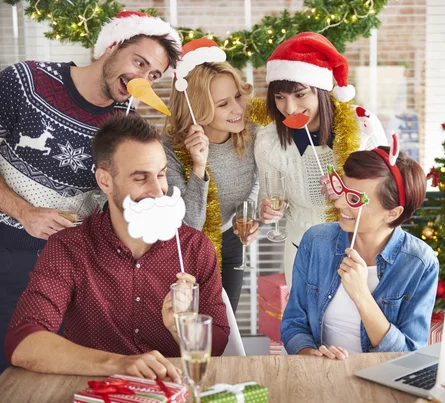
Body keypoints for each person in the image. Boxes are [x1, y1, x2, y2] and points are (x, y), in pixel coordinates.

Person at [0, 11, 181, 372]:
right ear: (112, 46)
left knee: (61, 374)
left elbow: (125, 200)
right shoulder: (24, 81)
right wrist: (24, 212)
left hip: (69, 269)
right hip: (6, 251)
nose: (142, 78)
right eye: (139, 62)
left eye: (153, 75)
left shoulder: (126, 127)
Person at [5, 114, 229, 380]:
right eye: (141, 178)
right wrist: (118, 364)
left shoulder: (195, 247)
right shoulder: (68, 248)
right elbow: (23, 343)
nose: (158, 191)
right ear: (105, 181)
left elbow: (217, 347)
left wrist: (182, 327)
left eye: (160, 174)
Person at [254, 32, 387, 286]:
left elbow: (385, 197)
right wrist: (269, 209)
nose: (289, 108)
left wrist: (347, 195)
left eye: (300, 95)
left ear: (322, 91)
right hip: (301, 250)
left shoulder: (362, 128)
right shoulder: (269, 141)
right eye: (280, 97)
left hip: (357, 253)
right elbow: (272, 195)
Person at [281, 148, 439, 358]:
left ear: (392, 213)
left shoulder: (420, 263)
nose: (338, 203)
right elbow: (293, 323)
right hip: (319, 374)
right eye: (341, 190)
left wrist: (361, 295)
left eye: (354, 200)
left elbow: (408, 354)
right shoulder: (316, 241)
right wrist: (311, 354)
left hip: (381, 377)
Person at [164, 39, 259, 313]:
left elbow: (261, 181)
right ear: (198, 108)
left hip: (231, 241)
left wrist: (251, 216)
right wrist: (198, 166)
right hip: (184, 249)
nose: (238, 109)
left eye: (238, 97)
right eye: (223, 103)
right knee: (188, 324)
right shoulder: (169, 150)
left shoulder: (252, 136)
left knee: (225, 325)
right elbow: (190, 223)